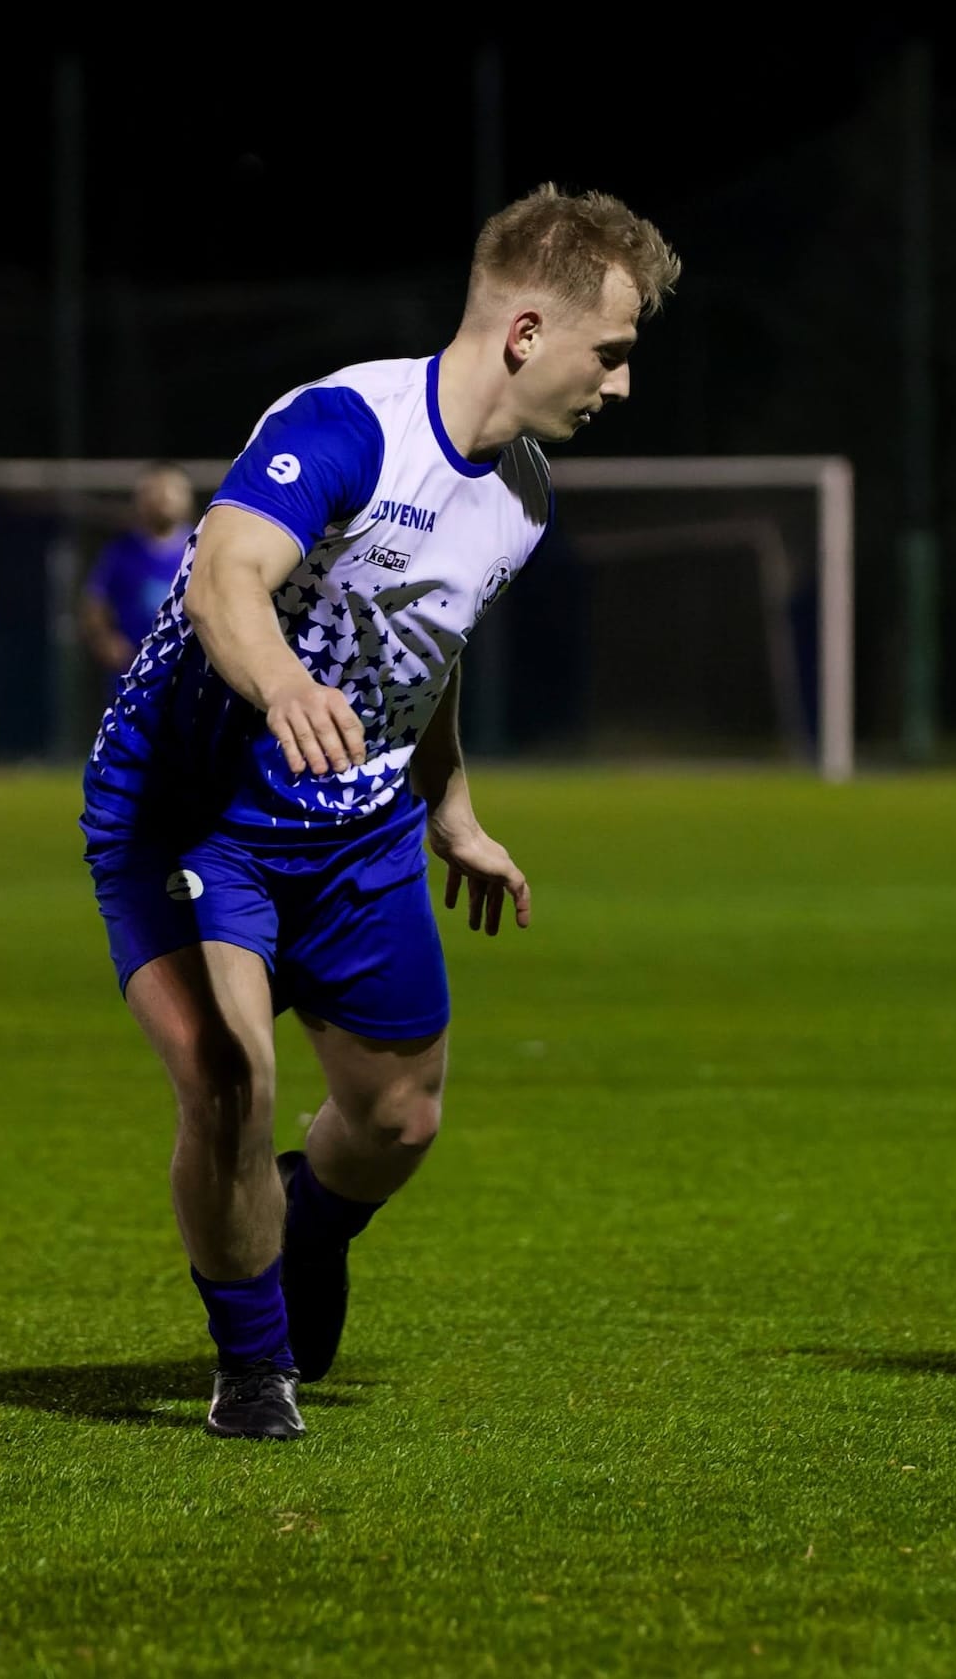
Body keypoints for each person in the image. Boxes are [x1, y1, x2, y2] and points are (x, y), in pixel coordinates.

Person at [81, 185, 680, 1440]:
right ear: (527, 332)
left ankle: (308, 1222)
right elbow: (230, 574)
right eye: (611, 352)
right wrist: (285, 679)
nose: (620, 386)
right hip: (197, 810)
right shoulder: (347, 422)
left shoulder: (521, 495)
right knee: (230, 1077)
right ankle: (254, 1369)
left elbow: (427, 646)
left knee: (400, 1116)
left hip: (354, 825)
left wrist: (450, 804)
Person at [81, 463, 198, 677]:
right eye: (155, 491)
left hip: (187, 672)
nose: (164, 498)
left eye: (172, 490)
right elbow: (94, 604)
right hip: (133, 674)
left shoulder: (202, 550)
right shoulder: (119, 552)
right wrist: (105, 641)